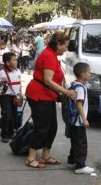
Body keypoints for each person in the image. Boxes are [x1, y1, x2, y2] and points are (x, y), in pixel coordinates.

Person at [24, 31, 76, 169]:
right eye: (65, 45)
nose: (66, 49)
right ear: (58, 44)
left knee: (52, 127)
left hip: (48, 96)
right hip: (39, 95)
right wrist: (66, 92)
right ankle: (31, 157)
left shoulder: (52, 54)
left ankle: (46, 155)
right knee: (42, 127)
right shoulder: (48, 56)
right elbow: (47, 80)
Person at [66, 62, 95, 174]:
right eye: (89, 72)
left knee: (75, 142)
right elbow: (79, 104)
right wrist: (84, 119)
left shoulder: (74, 84)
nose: (90, 74)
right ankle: (80, 166)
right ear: (82, 74)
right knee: (81, 143)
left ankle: (72, 160)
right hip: (78, 120)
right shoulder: (81, 88)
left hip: (73, 119)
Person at [0, 52, 21, 142]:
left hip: (15, 96)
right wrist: (1, 82)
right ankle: (4, 134)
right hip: (5, 97)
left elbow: (18, 83)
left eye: (16, 59)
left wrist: (19, 94)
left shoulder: (18, 71)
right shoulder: (2, 72)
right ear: (7, 63)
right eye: (14, 60)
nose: (16, 61)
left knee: (13, 116)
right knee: (7, 115)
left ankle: (10, 132)